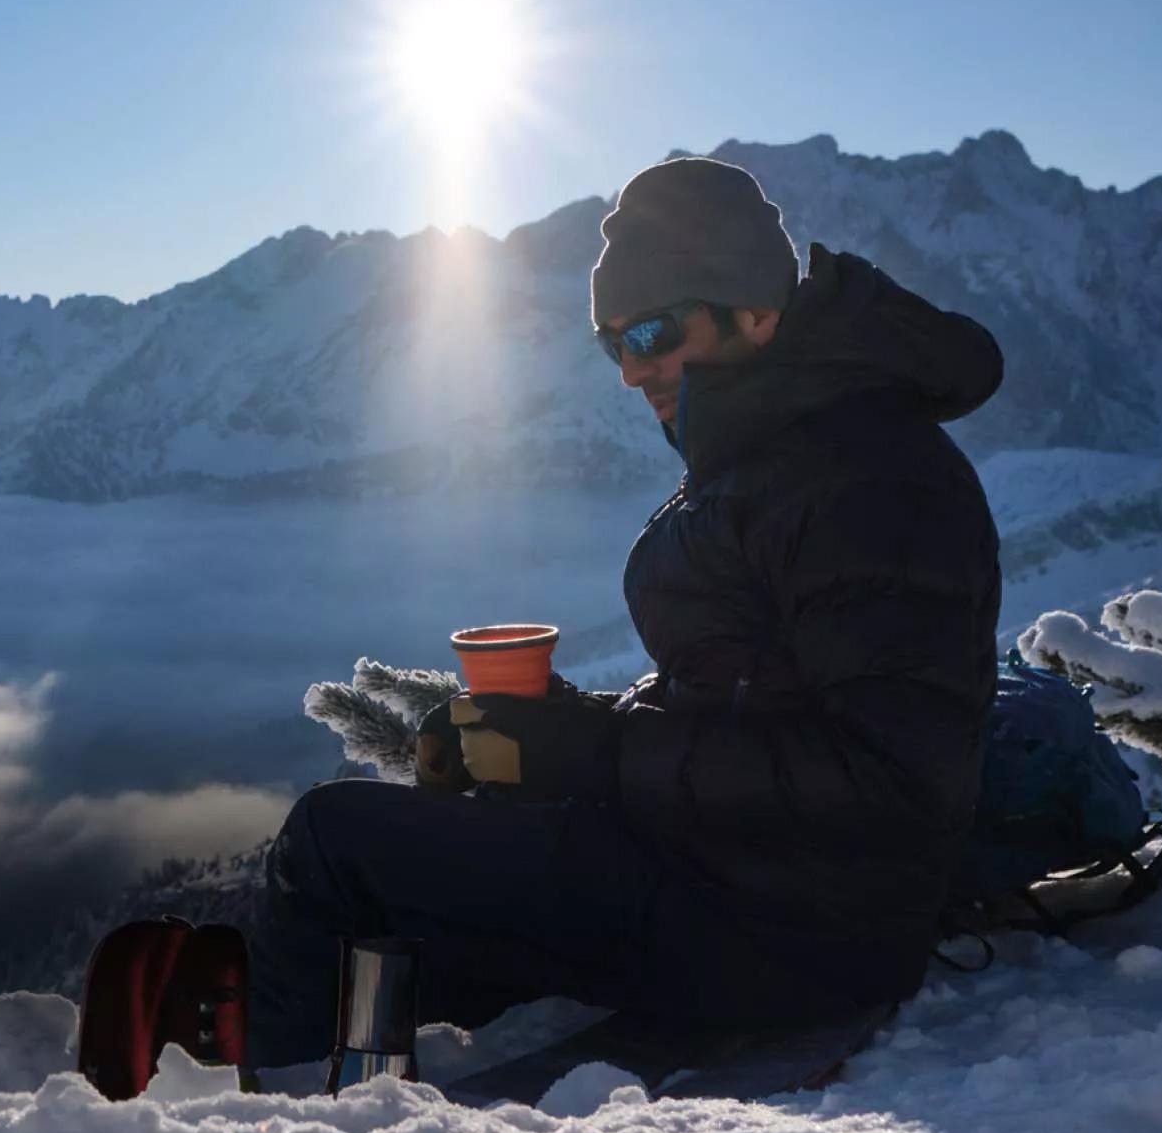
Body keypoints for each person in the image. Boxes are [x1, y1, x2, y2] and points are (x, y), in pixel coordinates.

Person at [246, 157, 1003, 1070]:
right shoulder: (788, 448)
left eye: (652, 330)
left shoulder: (867, 479)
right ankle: (314, 1064)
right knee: (413, 875)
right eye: (614, 343)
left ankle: (270, 1124)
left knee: (336, 840)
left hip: (786, 928)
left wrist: (604, 754)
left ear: (755, 307)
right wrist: (565, 725)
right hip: (730, 874)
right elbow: (743, 696)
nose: (632, 370)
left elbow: (891, 780)